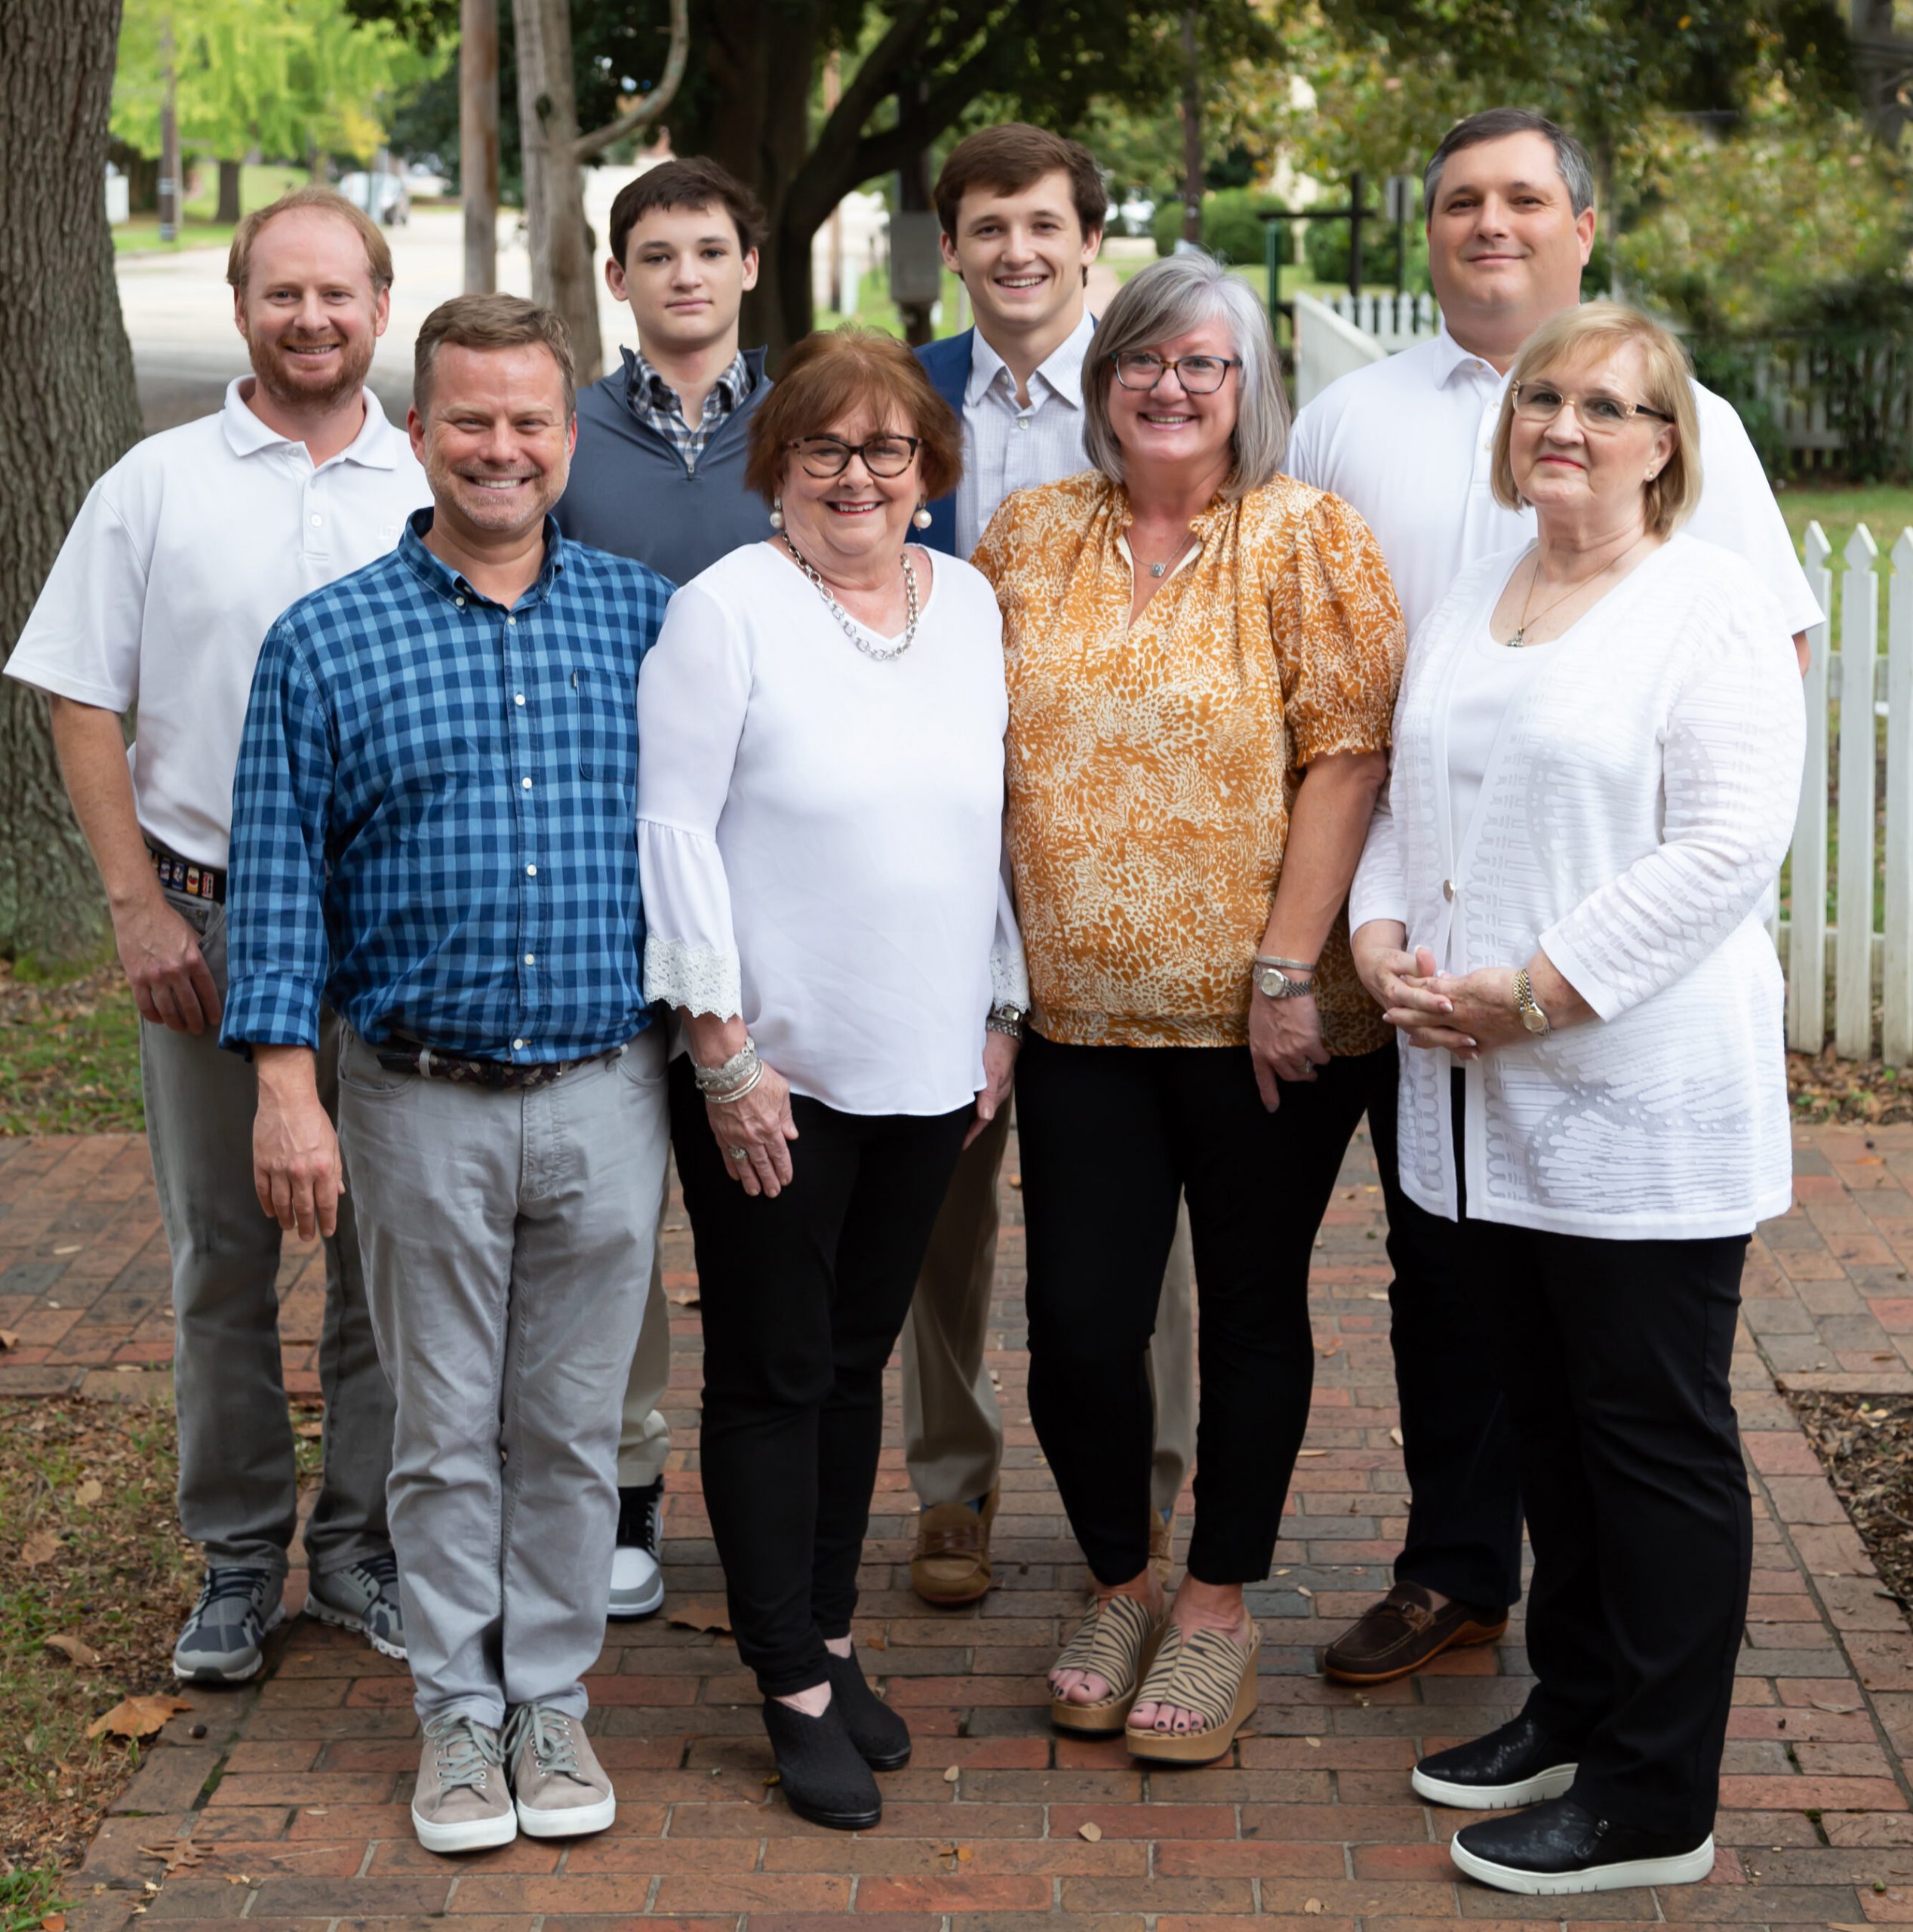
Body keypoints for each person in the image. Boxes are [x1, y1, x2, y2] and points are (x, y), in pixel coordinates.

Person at [1285, 106, 1823, 1688]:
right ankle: (1468, 1584)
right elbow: (1382, 720)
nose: (1489, 223)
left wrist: (1562, 970)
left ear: (1580, 228)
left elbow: (1743, 751)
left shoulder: (1689, 468)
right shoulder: (1358, 431)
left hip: (1604, 1007)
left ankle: (1640, 1750)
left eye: (1522, 198)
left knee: (1630, 1396)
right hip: (1426, 988)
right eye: (1459, 201)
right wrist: (1363, 933)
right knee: (1460, 1297)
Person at [1350, 302, 1803, 1894]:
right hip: (1476, 1102)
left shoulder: (1706, 606)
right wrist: (1379, 935)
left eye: (1606, 404)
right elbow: (1409, 797)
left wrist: (1535, 984)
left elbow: (1724, 846)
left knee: (1647, 1438)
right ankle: (1574, 1702)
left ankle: (1652, 1794)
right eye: (1541, 394)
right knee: (1544, 1425)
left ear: (1663, 442)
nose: (1564, 421)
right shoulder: (1484, 587)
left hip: (1625, 1087)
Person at [221, 295, 674, 1856]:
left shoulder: (645, 620)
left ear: (567, 436)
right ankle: (456, 1716)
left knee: (563, 1426)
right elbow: (278, 885)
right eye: (469, 418)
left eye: (529, 420)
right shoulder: (327, 638)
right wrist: (290, 1086)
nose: (501, 446)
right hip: (412, 1095)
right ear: (420, 433)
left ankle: (548, 1694)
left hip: (610, 1089)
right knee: (435, 1424)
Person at [973, 252, 1404, 1764]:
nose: (1167, 386)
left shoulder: (1306, 538)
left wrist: (1289, 964)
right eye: (1141, 361)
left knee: (1248, 1307)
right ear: (1102, 385)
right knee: (1079, 1325)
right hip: (1079, 1018)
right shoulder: (1026, 535)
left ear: (1245, 388)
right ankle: (1114, 1579)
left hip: (1265, 1023)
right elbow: (966, 759)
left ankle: (1216, 1602)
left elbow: (1345, 759)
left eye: (1200, 364)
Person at [4, 187, 426, 1684]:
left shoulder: (431, 486)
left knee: (388, 1260)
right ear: (246, 303)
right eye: (281, 293)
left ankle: (362, 1544)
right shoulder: (154, 480)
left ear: (381, 303)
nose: (310, 318)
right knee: (219, 1262)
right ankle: (240, 1556)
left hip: (394, 936)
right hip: (206, 912)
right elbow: (76, 690)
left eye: (337, 293)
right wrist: (130, 906)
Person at [635, 325, 1026, 1829]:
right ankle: (786, 1677)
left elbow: (986, 818)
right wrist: (720, 1048)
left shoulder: (972, 603)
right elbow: (671, 833)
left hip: (926, 1058)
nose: (856, 476)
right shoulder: (726, 611)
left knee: (856, 1360)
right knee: (772, 1369)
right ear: (774, 465)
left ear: (927, 466)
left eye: (886, 449)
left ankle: (837, 1633)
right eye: (823, 448)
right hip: (773, 1069)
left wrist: (998, 1005)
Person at [905, 122, 1197, 1609]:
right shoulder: (906, 406)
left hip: (1122, 876)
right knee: (934, 1193)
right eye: (983, 227)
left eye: (1039, 224)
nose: (1013, 250)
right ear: (949, 248)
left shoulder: (1150, 394)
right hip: (946, 856)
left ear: (1091, 240)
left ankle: (1144, 1506)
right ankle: (948, 1484)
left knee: (1131, 1226)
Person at [554, 155, 776, 1624]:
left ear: (749, 265)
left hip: (778, 876)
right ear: (619, 277)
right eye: (655, 252)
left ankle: (787, 1493)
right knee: (618, 1218)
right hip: (604, 875)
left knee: (768, 1205)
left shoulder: (809, 428)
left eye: (708, 247)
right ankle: (624, 1490)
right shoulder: (563, 437)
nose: (683, 272)